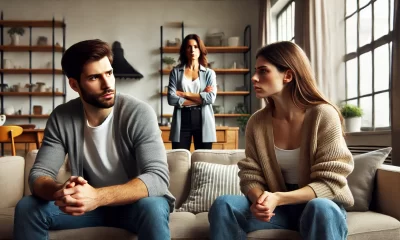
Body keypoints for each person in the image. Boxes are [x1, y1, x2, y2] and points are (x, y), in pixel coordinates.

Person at [13, 39, 174, 240]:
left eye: (109, 73)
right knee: (28, 206)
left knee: (153, 206)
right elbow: (39, 174)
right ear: (74, 84)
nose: (108, 84)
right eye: (94, 77)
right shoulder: (62, 117)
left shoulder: (139, 113)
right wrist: (58, 191)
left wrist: (98, 197)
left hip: (135, 205)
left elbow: (158, 178)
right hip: (86, 206)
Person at [208, 41, 354, 240]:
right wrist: (260, 200)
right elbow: (250, 174)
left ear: (288, 75)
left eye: (263, 71)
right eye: (255, 71)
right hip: (279, 211)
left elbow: (330, 181)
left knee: (320, 207)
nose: (254, 78)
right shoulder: (257, 122)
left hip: (320, 205)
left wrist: (279, 198)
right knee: (223, 204)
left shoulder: (323, 115)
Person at [167, 34, 217, 151]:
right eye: (189, 47)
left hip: (203, 120)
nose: (192, 50)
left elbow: (210, 99)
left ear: (200, 50)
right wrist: (201, 98)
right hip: (181, 121)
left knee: (204, 161)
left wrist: (184, 94)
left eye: (196, 46)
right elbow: (171, 99)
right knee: (179, 160)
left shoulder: (209, 73)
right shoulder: (176, 72)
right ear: (184, 50)